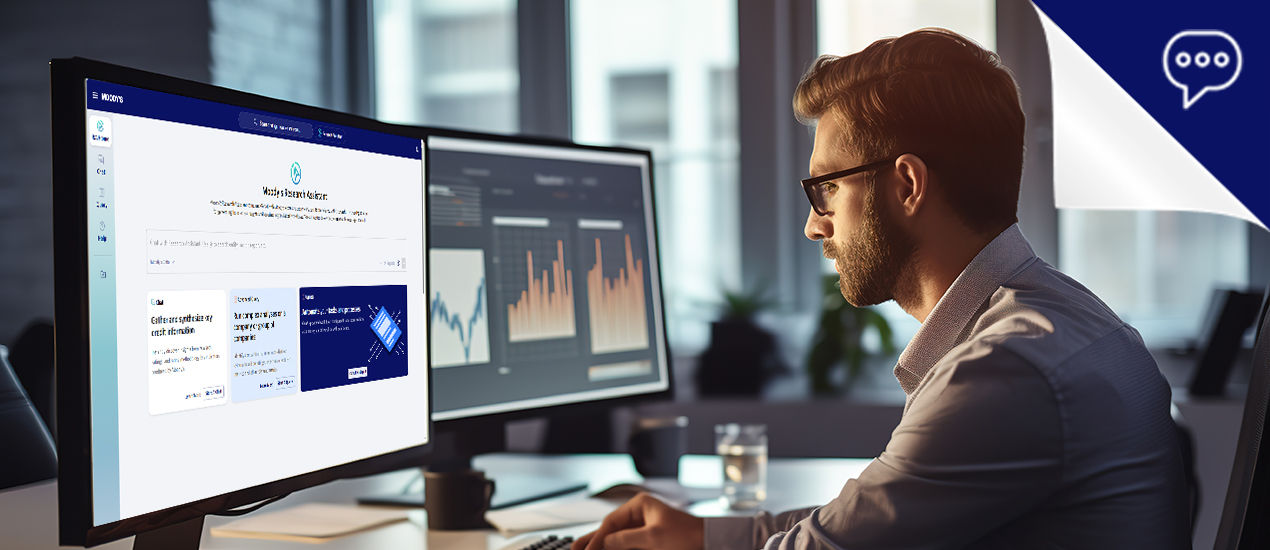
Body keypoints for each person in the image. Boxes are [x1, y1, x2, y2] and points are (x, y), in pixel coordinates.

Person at [573, 27, 1190, 550]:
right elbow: (862, 524)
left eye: (826, 188)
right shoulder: (1061, 319)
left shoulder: (1004, 372)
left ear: (907, 186)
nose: (814, 224)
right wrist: (705, 537)